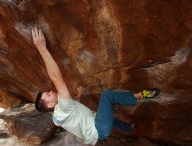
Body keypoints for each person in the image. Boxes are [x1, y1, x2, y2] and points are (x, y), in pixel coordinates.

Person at [32, 27, 160, 145]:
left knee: (106, 116)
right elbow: (56, 77)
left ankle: (129, 128)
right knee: (107, 96)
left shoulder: (57, 117)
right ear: (50, 105)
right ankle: (139, 96)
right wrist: (42, 48)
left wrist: (79, 96)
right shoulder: (63, 106)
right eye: (48, 95)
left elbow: (73, 114)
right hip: (100, 128)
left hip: (97, 136)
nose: (50, 91)